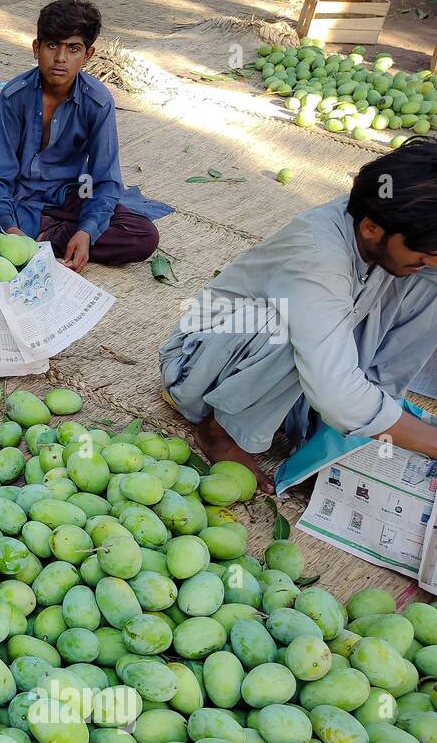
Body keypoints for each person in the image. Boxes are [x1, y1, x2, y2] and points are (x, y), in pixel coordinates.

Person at [160, 136, 437, 494]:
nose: (429, 259)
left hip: (294, 367)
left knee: (428, 282)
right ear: (371, 228)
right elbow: (335, 392)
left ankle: (361, 410)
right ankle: (221, 431)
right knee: (297, 326)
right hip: (204, 367)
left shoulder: (387, 221)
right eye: (425, 251)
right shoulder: (317, 261)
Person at [0, 0, 168, 274]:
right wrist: (6, 225)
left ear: (88, 55)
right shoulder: (13, 96)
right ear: (36, 48)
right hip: (17, 192)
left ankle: (44, 238)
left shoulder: (98, 102)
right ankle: (39, 237)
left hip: (69, 195)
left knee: (142, 235)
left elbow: (105, 181)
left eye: (73, 48)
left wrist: (87, 231)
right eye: (52, 45)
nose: (60, 58)